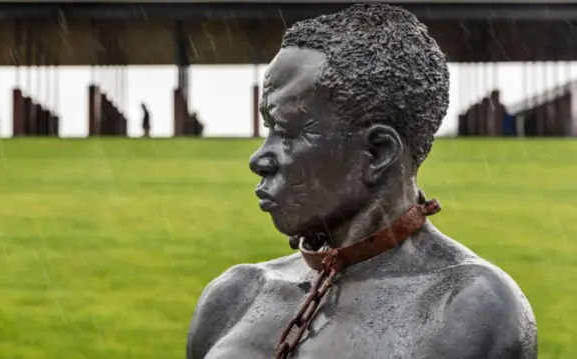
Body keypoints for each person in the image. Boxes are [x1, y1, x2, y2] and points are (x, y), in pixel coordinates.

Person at [186, 4, 536, 359]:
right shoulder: (235, 294)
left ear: (378, 153)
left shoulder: (467, 307)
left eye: (288, 132)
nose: (259, 159)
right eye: (268, 129)